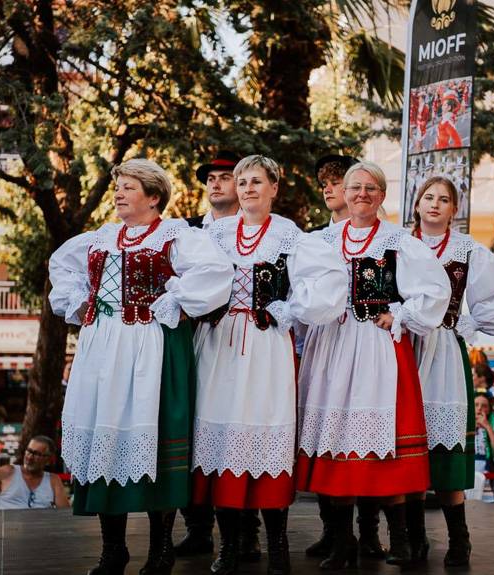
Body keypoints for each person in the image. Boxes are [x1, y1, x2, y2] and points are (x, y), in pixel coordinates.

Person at [49, 158, 233, 575]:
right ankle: (113, 549)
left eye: (129, 187)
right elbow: (61, 265)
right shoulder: (101, 238)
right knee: (104, 437)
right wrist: (81, 301)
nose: (118, 194)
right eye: (118, 187)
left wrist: (174, 301)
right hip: (102, 347)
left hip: (153, 345)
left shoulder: (175, 236)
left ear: (153, 197)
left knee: (156, 438)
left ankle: (161, 549)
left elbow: (215, 272)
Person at [192, 155, 346, 575]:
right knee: (221, 436)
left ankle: (277, 545)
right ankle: (229, 545)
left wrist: (292, 308)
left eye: (256, 181)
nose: (247, 189)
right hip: (220, 345)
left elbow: (331, 279)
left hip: (266, 346)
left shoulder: (289, 236)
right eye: (242, 182)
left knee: (266, 433)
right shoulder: (216, 234)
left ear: (274, 187)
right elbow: (190, 274)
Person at [296, 161, 451, 569]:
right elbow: (303, 290)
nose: (362, 194)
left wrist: (399, 313)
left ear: (381, 195)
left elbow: (435, 289)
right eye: (355, 187)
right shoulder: (322, 241)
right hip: (332, 345)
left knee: (384, 445)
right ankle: (343, 541)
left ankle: (398, 539)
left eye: (370, 188)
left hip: (377, 347)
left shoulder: (398, 241)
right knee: (336, 441)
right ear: (344, 193)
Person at [408, 175, 494, 566]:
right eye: (428, 197)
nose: (435, 204)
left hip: (443, 352)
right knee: (409, 448)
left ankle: (459, 538)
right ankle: (414, 538)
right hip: (404, 348)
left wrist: (466, 324)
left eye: (444, 199)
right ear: (417, 204)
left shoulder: (466, 249)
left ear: (454, 209)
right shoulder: (400, 244)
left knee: (446, 448)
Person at [178, 150, 263, 560]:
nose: (215, 183)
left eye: (225, 176)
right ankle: (198, 528)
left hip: (246, 342)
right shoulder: (187, 230)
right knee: (195, 428)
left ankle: (247, 530)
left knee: (241, 427)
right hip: (198, 338)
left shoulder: (264, 230)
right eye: (210, 177)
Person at [302, 153, 387, 561]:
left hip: (367, 341)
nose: (330, 189)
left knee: (363, 436)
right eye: (327, 183)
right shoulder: (318, 240)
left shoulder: (387, 238)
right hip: (328, 342)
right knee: (327, 432)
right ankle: (334, 531)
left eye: (337, 182)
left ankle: (368, 533)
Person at [0, 436, 69, 510]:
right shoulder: (8, 472)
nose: (29, 457)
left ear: (49, 460)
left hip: (41, 533)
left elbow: (65, 514)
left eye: (36, 454)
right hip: (8, 533)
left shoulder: (53, 480)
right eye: (29, 451)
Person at [187, 150, 242, 229]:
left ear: (241, 184)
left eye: (225, 178)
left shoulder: (256, 228)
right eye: (211, 179)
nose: (215, 186)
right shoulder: (186, 228)